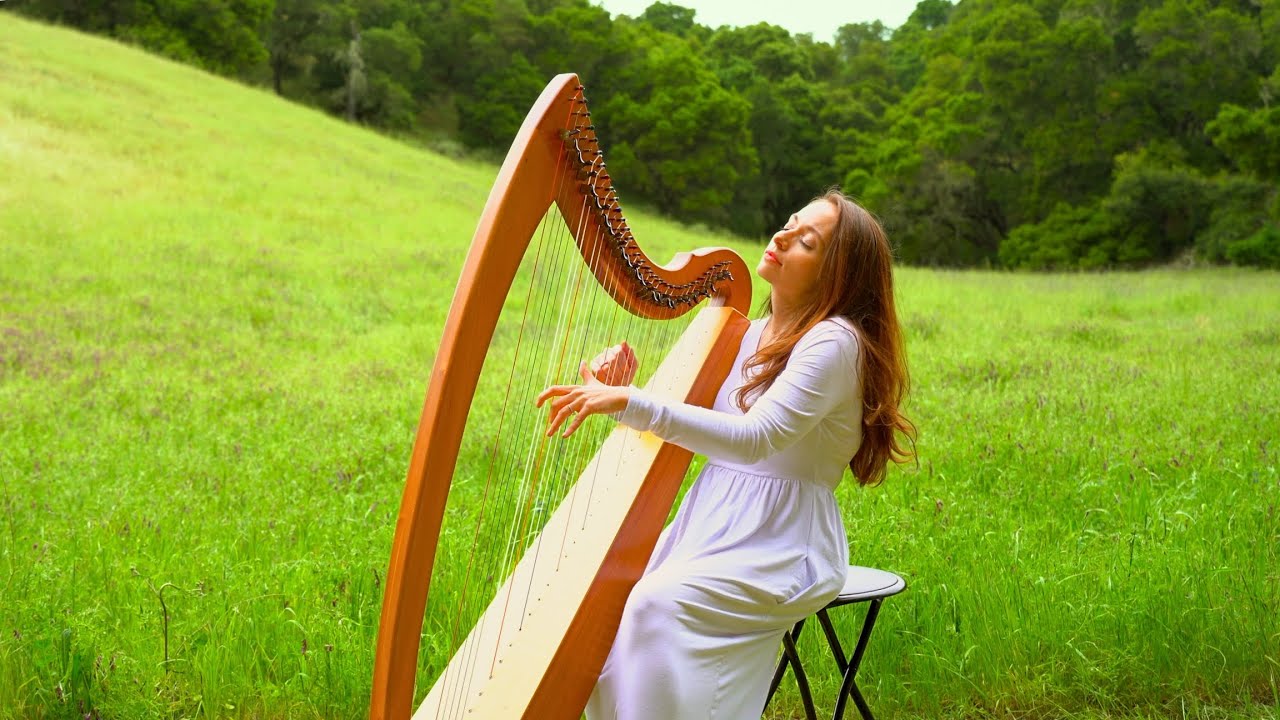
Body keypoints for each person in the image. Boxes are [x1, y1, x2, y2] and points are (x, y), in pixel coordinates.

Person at [536, 189, 916, 719]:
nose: (782, 236)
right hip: (712, 523)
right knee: (610, 607)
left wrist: (632, 401)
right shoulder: (745, 333)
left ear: (839, 276)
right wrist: (625, 392)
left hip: (781, 544)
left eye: (807, 241)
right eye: (789, 221)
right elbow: (701, 425)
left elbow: (756, 437)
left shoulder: (835, 342)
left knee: (654, 606)